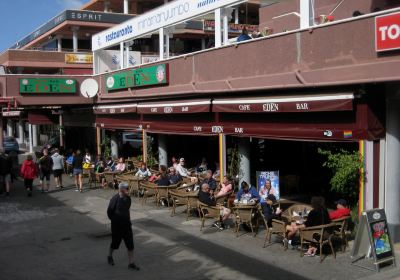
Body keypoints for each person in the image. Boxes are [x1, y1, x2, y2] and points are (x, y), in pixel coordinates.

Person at [107, 182, 140, 271]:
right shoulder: (114, 199)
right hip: (117, 226)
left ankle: (131, 263)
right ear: (122, 190)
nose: (129, 190)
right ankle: (110, 256)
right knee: (115, 243)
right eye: (127, 189)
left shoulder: (128, 198)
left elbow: (127, 209)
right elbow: (109, 212)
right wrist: (115, 221)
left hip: (127, 225)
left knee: (130, 245)